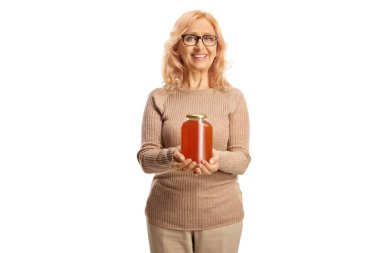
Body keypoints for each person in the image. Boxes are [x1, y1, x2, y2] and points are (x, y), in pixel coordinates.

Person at [137, 10, 251, 253]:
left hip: (222, 217)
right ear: (177, 46)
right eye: (190, 38)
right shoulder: (159, 98)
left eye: (209, 38)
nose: (200, 45)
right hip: (166, 218)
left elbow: (242, 160)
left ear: (217, 47)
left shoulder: (233, 98)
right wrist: (172, 156)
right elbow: (146, 159)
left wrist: (216, 158)